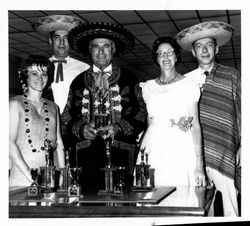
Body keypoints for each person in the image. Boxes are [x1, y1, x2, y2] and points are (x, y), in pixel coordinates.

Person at [61, 22, 147, 193]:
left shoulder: (129, 78)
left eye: (106, 46)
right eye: (96, 47)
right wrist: (81, 128)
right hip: (86, 156)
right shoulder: (78, 81)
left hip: (121, 154)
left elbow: (141, 115)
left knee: (121, 207)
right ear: (90, 50)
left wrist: (119, 127)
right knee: (88, 206)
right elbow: (67, 115)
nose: (101, 52)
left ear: (113, 49)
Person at [175, 21, 241, 216]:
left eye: (209, 45)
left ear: (217, 48)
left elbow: (243, 111)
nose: (204, 50)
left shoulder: (232, 76)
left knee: (231, 207)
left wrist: (244, 145)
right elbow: (180, 116)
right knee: (202, 208)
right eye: (199, 47)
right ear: (193, 53)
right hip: (195, 157)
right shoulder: (185, 81)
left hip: (226, 151)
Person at [136, 36, 207, 189]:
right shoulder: (148, 87)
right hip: (152, 147)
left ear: (176, 56)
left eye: (169, 52)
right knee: (149, 193)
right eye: (160, 53)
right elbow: (149, 123)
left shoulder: (188, 85)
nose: (165, 57)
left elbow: (195, 126)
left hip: (179, 147)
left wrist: (199, 164)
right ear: (156, 58)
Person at [32, 15, 90, 157]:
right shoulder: (38, 69)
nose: (62, 42)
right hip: (45, 126)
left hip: (76, 128)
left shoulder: (84, 68)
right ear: (50, 41)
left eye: (66, 38)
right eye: (57, 37)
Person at [9, 55, 65, 186]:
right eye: (34, 73)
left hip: (51, 179)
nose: (40, 78)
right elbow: (8, 142)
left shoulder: (53, 107)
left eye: (44, 74)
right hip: (22, 179)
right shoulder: (14, 104)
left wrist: (63, 174)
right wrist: (29, 174)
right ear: (25, 76)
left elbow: (59, 143)